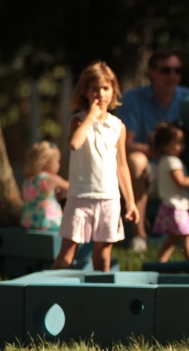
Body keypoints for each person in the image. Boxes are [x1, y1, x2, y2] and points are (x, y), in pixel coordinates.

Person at [116, 49, 189, 254]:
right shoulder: (133, 98)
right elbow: (126, 144)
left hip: (180, 170)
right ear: (152, 71)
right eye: (166, 70)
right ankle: (139, 237)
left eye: (177, 70)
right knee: (136, 160)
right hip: (152, 172)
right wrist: (162, 153)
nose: (172, 76)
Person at [52, 61, 139, 272]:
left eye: (106, 88)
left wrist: (131, 201)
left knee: (102, 257)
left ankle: (102, 297)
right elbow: (74, 143)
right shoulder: (78, 122)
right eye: (95, 89)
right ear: (85, 93)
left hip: (108, 198)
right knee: (67, 255)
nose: (100, 94)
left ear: (113, 91)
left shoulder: (117, 126)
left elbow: (122, 167)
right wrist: (91, 115)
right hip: (80, 197)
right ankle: (50, 292)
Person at [148, 122, 189, 262]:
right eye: (178, 143)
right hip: (176, 208)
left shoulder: (167, 160)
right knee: (188, 235)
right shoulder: (172, 161)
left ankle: (160, 262)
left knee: (173, 237)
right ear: (165, 145)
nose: (182, 146)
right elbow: (181, 182)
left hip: (171, 207)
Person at [20, 141, 69, 231]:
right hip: (49, 223)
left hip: (29, 223)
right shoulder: (51, 179)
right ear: (47, 163)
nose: (59, 165)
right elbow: (71, 188)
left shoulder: (28, 181)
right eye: (58, 161)